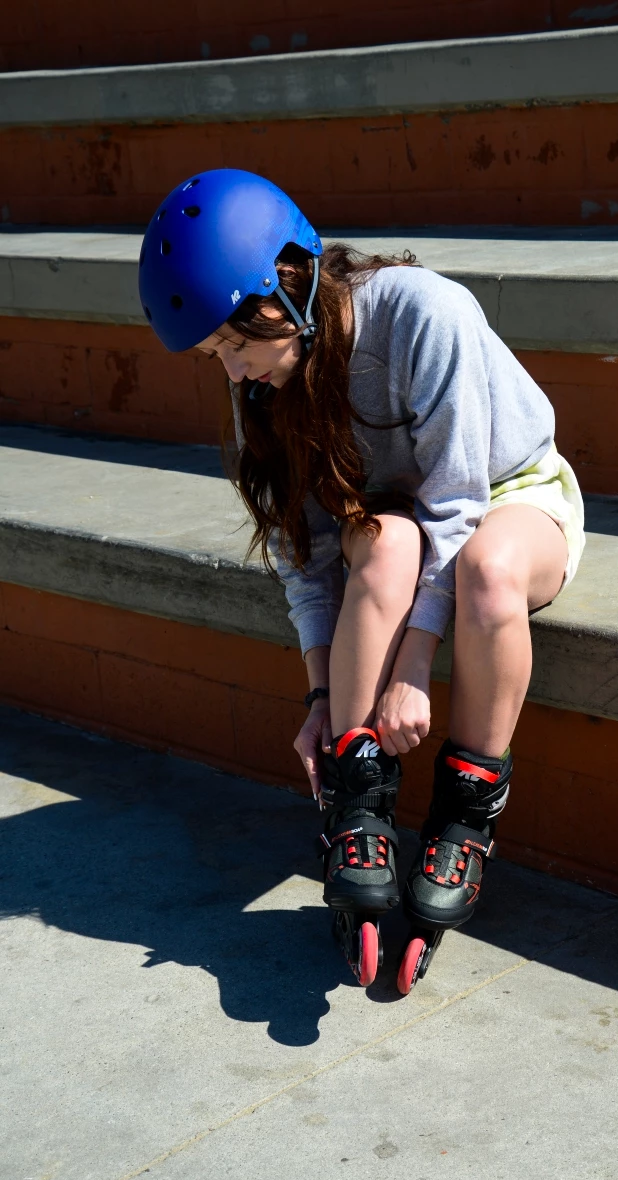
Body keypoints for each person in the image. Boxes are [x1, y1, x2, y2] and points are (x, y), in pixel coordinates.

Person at [139, 168, 585, 994]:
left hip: (507, 492)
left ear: (286, 285)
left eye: (237, 344)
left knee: (487, 568)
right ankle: (356, 807)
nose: (234, 373)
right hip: (396, 518)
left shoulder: (425, 313)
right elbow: (307, 559)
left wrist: (416, 663)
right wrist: (320, 701)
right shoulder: (264, 388)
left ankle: (463, 821)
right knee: (381, 543)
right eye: (215, 357)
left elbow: (459, 502)